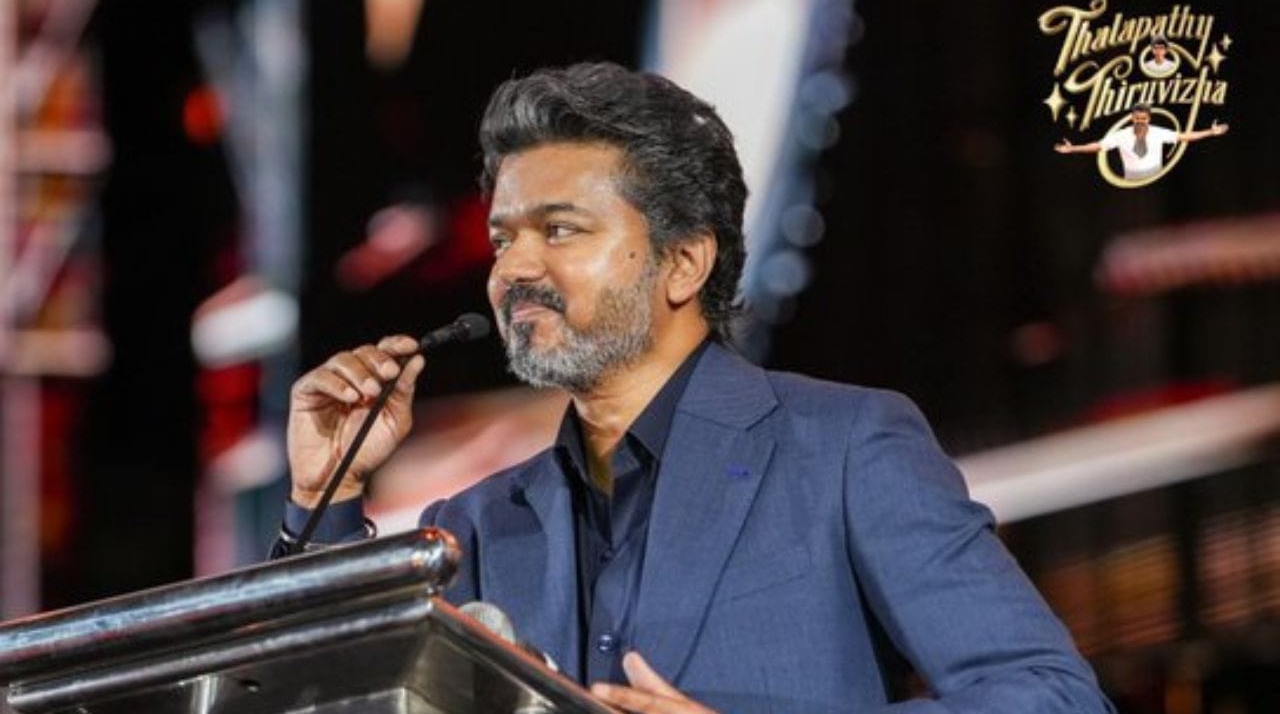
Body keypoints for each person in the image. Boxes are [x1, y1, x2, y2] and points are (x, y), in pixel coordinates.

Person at [277, 62, 1115, 713]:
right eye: (503, 240)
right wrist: (325, 499)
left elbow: (1052, 697)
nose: (514, 270)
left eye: (559, 230)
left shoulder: (845, 447)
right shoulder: (474, 527)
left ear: (684, 262)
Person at [1055, 101, 1228, 180]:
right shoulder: (1121, 135)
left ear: (1149, 119)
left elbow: (1185, 136)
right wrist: (1073, 149)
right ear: (1132, 118)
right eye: (1137, 118)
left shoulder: (1159, 133)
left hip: (1156, 180)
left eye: (1143, 118)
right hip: (1132, 184)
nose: (1140, 121)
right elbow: (1098, 146)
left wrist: (1211, 132)